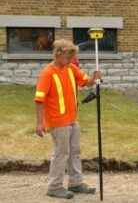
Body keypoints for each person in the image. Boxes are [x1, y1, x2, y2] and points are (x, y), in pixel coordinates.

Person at [34, 39, 101, 199]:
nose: (71, 58)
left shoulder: (71, 68)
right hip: (57, 121)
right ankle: (54, 186)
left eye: (72, 55)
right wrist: (39, 122)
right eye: (68, 55)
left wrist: (94, 77)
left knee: (75, 152)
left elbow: (86, 82)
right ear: (58, 54)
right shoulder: (47, 73)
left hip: (72, 119)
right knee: (61, 153)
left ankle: (75, 183)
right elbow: (39, 99)